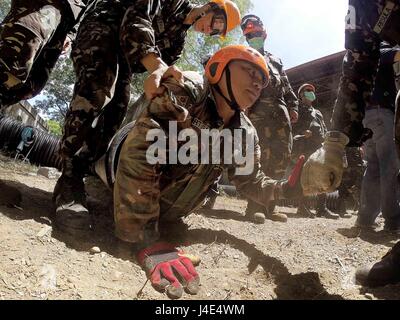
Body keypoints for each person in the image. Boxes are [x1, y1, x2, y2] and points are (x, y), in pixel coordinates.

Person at [108, 45, 306, 299]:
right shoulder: (189, 88)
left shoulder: (244, 133)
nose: (257, 84)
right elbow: (142, 147)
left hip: (167, 212)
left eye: (262, 81)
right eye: (249, 72)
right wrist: (146, 238)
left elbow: (250, 181)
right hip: (117, 187)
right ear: (217, 70)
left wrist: (285, 189)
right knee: (154, 135)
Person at [52, 0, 242, 232]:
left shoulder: (177, 42)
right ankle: (68, 183)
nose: (210, 30)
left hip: (125, 58)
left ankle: (84, 174)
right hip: (104, 27)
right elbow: (136, 17)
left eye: (216, 32)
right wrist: (156, 65)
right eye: (217, 22)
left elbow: (160, 72)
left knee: (117, 110)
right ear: (211, 6)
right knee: (97, 91)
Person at [240, 14, 298, 223]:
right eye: (249, 36)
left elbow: (287, 86)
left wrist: (293, 106)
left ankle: (271, 206)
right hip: (258, 113)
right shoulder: (245, 56)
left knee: (281, 157)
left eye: (256, 34)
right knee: (260, 158)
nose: (253, 38)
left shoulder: (276, 60)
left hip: (280, 113)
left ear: (264, 33)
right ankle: (254, 206)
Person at [0, 0, 87, 111]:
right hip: (41, 6)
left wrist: (71, 34)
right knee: (10, 67)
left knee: (30, 86)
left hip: (68, 18)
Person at [355, 43, 400, 233]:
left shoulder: (366, 58)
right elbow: (398, 54)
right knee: (389, 166)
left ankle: (365, 218)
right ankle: (393, 219)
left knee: (372, 167)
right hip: (383, 113)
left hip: (366, 117)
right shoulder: (387, 51)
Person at [292, 84, 339, 219]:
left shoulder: (317, 112)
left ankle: (322, 209)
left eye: (312, 91)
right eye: (307, 91)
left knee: (323, 175)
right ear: (301, 95)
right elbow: (290, 128)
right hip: (304, 147)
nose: (311, 93)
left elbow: (324, 129)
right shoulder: (297, 110)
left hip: (318, 147)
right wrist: (302, 133)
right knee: (305, 177)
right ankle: (302, 207)